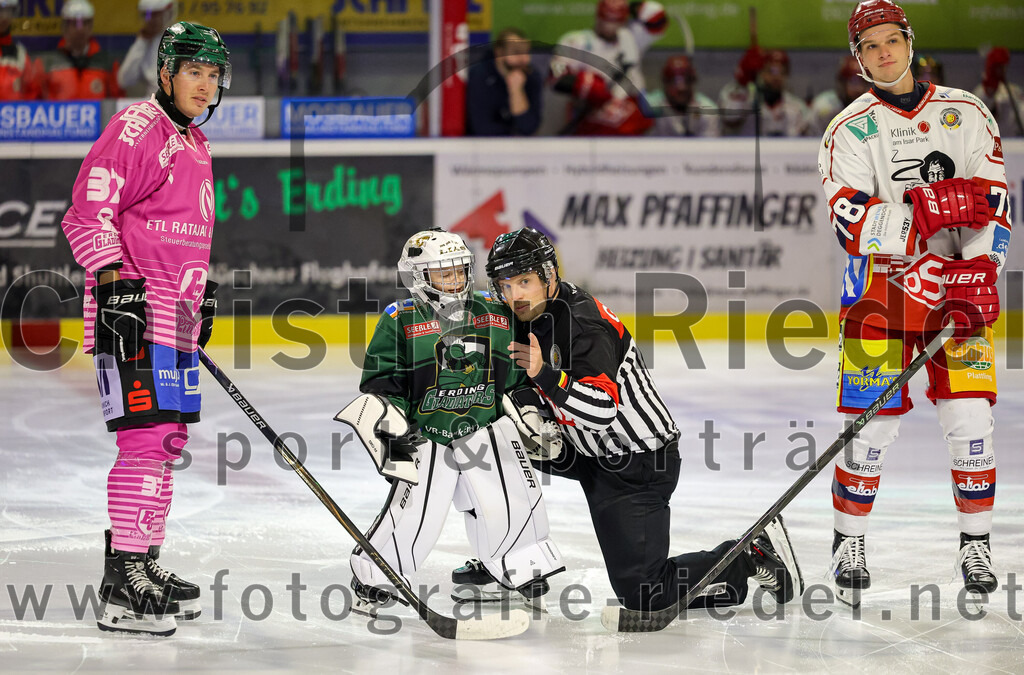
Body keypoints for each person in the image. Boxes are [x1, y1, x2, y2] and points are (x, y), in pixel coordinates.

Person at [452, 228, 804, 613]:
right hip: (585, 450)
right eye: (506, 284)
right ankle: (508, 558)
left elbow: (602, 410)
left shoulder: (584, 325)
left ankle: (747, 556)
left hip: (636, 462)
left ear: (549, 276)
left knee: (644, 595)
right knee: (481, 441)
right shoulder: (525, 314)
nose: (515, 294)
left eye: (524, 281)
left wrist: (546, 379)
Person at [818, 0, 1009, 607]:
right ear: (858, 58)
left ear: (908, 40)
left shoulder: (967, 112)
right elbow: (851, 221)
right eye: (868, 45)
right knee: (870, 430)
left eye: (889, 40)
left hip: (960, 291)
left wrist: (982, 267)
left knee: (972, 421)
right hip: (878, 299)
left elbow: (996, 202)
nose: (882, 52)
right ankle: (850, 539)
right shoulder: (847, 129)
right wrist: (933, 210)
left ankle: (975, 542)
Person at [60, 21, 230, 636]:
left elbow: (180, 234)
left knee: (167, 442)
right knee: (143, 441)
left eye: (213, 75)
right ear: (165, 73)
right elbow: (86, 210)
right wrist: (112, 288)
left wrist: (196, 297)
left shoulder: (194, 143)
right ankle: (124, 577)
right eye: (194, 72)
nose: (205, 87)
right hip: (130, 316)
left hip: (170, 318)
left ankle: (142, 564)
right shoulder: (138, 127)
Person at [343, 229, 564, 616]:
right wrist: (392, 431)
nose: (455, 281)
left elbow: (515, 379)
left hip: (485, 427)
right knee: (416, 509)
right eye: (443, 274)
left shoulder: (494, 313)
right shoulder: (401, 321)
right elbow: (381, 385)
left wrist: (530, 414)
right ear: (417, 276)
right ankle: (379, 574)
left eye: (460, 271)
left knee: (511, 491)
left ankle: (519, 562)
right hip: (427, 435)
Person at [548, 0, 667, 136]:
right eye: (606, 20)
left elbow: (657, 16)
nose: (610, 27)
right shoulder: (577, 41)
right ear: (598, 17)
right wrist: (585, 85)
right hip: (589, 114)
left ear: (624, 21)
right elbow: (555, 75)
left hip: (632, 112)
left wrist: (635, 7)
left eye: (616, 21)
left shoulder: (631, 38)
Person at [465, 27, 542, 136]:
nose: (523, 59)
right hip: (479, 147)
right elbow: (481, 128)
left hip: (519, 148)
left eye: (526, 52)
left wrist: (516, 91)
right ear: (499, 53)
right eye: (516, 52)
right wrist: (514, 133)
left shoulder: (532, 77)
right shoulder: (479, 75)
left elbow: (529, 128)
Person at [719, 48, 811, 136]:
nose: (776, 77)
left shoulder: (797, 108)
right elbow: (730, 118)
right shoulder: (746, 100)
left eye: (781, 71)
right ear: (761, 72)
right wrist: (743, 82)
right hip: (749, 151)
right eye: (771, 71)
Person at [40, 0, 122, 99]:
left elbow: (118, 102)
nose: (80, 29)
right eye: (75, 23)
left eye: (85, 23)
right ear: (65, 27)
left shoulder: (107, 63)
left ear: (91, 27)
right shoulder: (49, 63)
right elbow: (34, 104)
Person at [648, 54, 720, 137]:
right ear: (665, 83)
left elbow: (709, 147)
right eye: (674, 83)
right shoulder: (650, 106)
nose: (681, 88)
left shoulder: (707, 110)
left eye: (686, 82)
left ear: (692, 83)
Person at [118, 0, 176, 99]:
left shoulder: (184, 36)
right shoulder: (144, 43)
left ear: (168, 13)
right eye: (147, 15)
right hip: (154, 105)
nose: (150, 20)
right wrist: (142, 41)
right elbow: (124, 80)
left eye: (156, 14)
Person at [809, 55, 868, 136]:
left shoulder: (873, 107)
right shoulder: (824, 107)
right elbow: (810, 142)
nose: (859, 88)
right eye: (853, 82)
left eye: (863, 82)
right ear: (842, 83)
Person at [973, 47, 1023, 137]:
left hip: (1013, 140)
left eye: (1003, 66)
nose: (1001, 69)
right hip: (990, 141)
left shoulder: (1014, 90)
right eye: (997, 66)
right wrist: (990, 89)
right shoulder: (981, 91)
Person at [0, 0, 41, 100]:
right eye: (0, 10)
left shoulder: (20, 54)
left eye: (9, 11)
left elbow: (31, 94)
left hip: (13, 114)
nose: (4, 17)